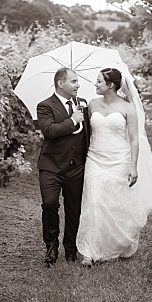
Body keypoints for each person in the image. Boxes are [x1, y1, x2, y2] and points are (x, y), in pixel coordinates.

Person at [76, 67, 152, 266]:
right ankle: (89, 252)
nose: (95, 85)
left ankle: (117, 241)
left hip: (119, 159)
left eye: (99, 82)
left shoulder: (128, 108)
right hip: (95, 159)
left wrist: (133, 167)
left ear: (110, 85)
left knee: (116, 203)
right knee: (94, 202)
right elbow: (85, 132)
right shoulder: (91, 104)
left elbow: (134, 140)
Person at [36, 67, 90, 265]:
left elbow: (88, 134)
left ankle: (71, 249)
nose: (78, 85)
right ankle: (51, 247)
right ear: (61, 83)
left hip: (76, 166)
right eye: (74, 81)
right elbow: (49, 130)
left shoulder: (82, 104)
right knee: (50, 204)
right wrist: (72, 120)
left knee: (74, 208)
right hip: (51, 165)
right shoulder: (45, 106)